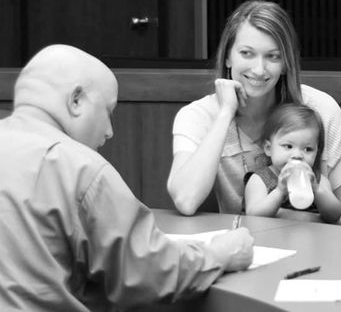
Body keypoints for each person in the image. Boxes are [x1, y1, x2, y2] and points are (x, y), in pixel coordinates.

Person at [0, 44, 254, 311]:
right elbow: (147, 274)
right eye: (108, 112)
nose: (109, 132)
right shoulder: (80, 168)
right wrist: (219, 254)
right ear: (76, 100)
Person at [167, 0, 341, 227]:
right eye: (247, 53)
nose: (259, 69)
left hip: (318, 248)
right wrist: (225, 113)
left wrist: (290, 217)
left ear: (286, 64)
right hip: (244, 249)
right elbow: (185, 200)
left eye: (273, 56)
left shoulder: (320, 108)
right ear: (228, 57)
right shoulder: (197, 116)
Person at [244, 103, 341, 223]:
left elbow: (335, 215)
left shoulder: (318, 180)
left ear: (317, 151)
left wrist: (317, 189)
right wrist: (279, 191)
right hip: (268, 238)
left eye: (308, 149)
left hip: (312, 239)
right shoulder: (260, 179)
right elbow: (253, 215)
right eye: (288, 146)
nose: (297, 155)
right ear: (268, 148)